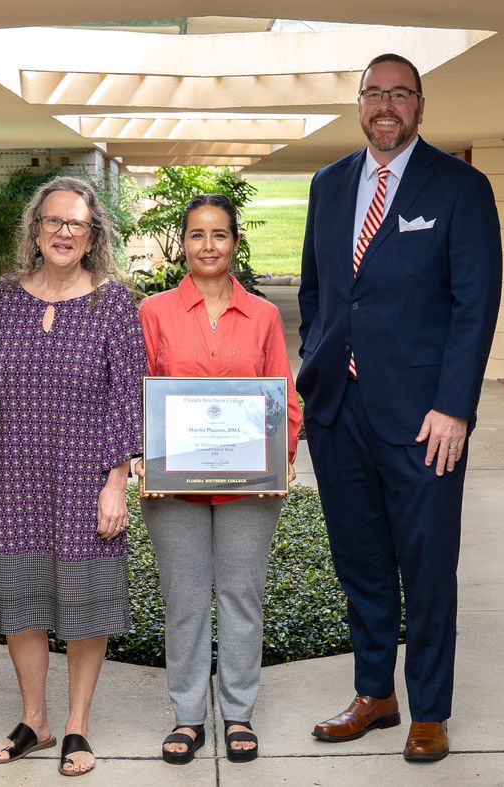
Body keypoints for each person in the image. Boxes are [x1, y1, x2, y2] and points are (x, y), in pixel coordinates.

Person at [296, 53, 502, 762]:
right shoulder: (328, 184)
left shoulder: (462, 187)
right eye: (374, 93)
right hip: (339, 411)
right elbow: (320, 292)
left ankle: (431, 710)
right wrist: (318, 369)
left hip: (424, 420)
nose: (386, 105)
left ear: (421, 105)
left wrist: (455, 406)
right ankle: (375, 692)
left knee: (427, 564)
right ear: (359, 104)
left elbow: (474, 305)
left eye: (400, 94)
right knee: (360, 560)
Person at [0, 176, 145, 777]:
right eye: (54, 221)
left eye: (76, 222)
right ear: (35, 229)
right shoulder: (5, 298)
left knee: (84, 600)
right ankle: (34, 721)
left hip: (84, 475)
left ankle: (76, 727)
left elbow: (129, 398)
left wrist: (114, 480)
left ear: (93, 232)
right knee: (22, 599)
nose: (64, 232)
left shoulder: (114, 301)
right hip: (18, 473)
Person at [136, 194, 301, 765]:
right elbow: (137, 394)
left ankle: (237, 713)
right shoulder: (152, 313)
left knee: (240, 598)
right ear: (183, 242)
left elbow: (284, 393)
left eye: (220, 235)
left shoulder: (262, 316)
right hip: (174, 486)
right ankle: (186, 716)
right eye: (198, 235)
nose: (209, 246)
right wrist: (142, 458)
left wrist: (282, 456)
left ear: (235, 242)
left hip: (247, 485)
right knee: (183, 602)